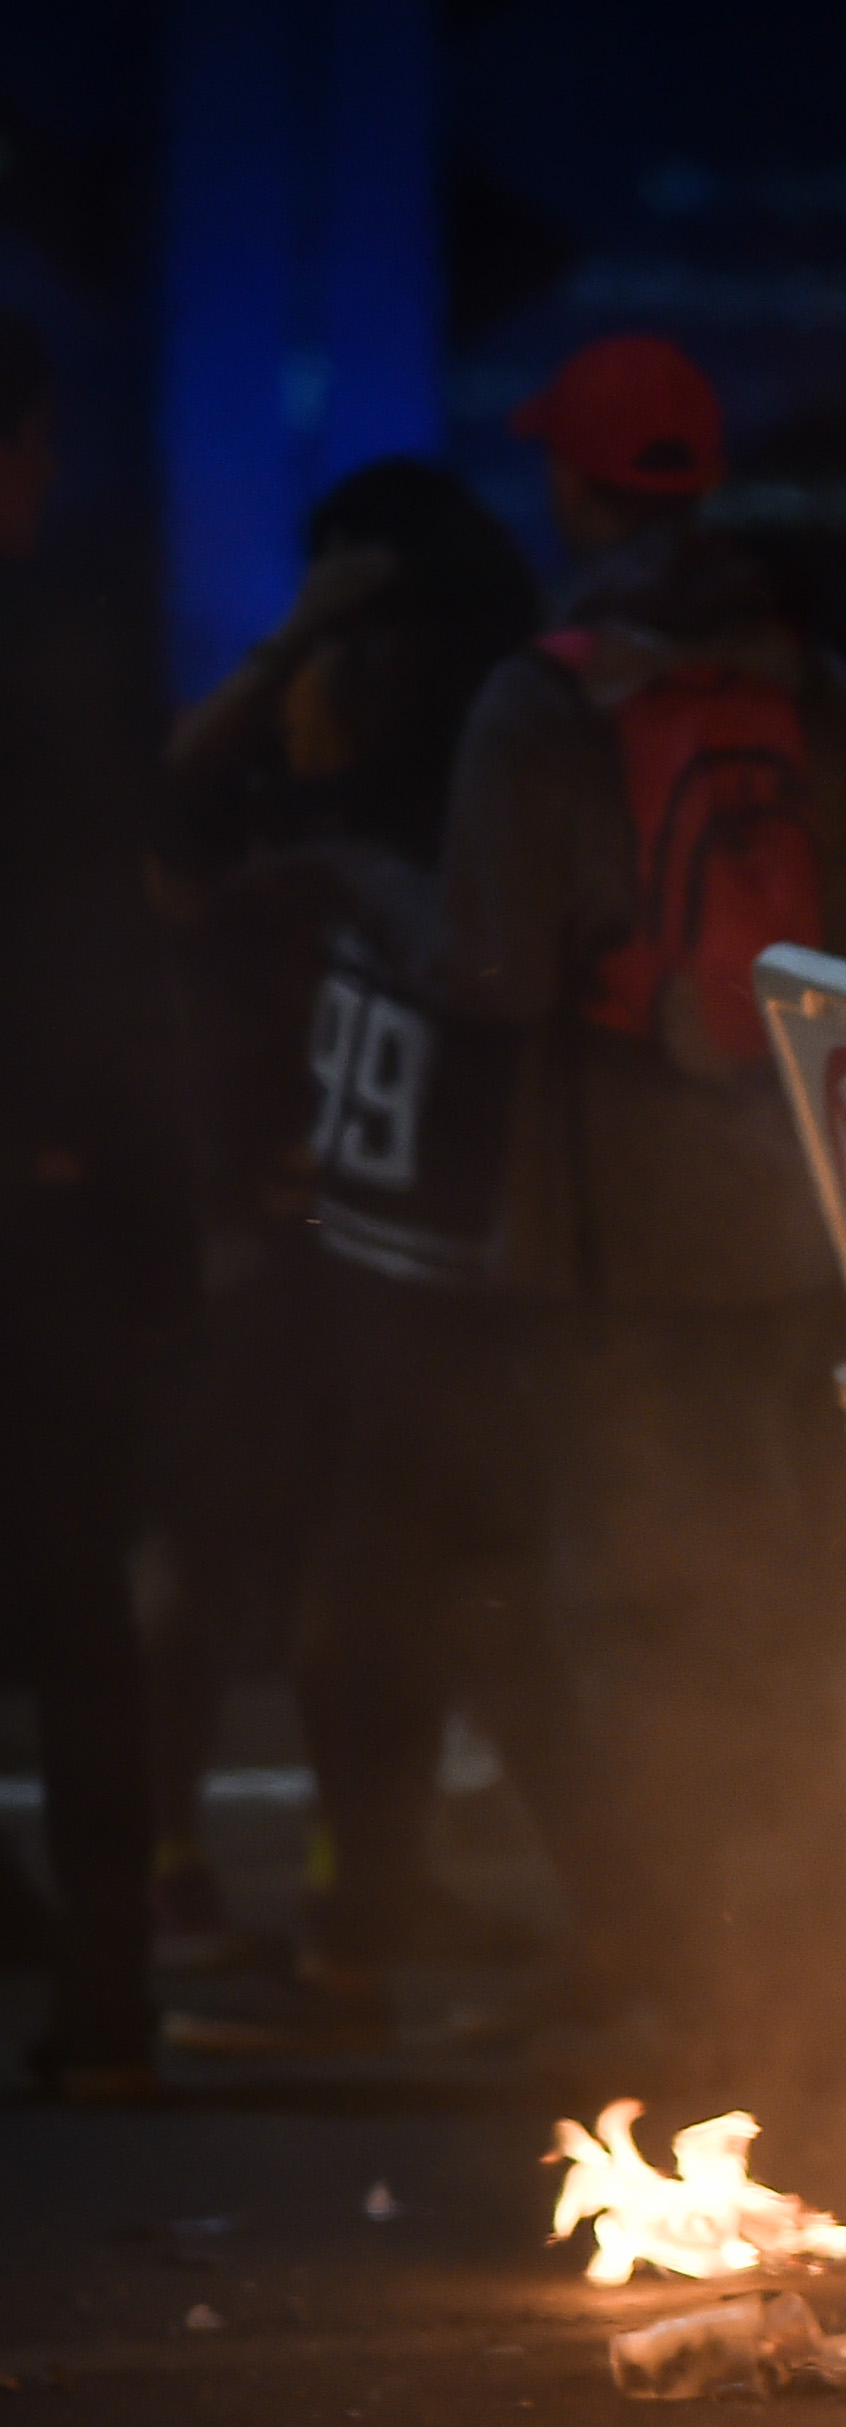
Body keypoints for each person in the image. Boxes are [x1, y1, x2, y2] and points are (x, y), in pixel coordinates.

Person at [434, 332, 846, 2067]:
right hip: (792, 1232)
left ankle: (673, 1973)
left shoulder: (541, 699)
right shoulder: (819, 691)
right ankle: (813, 1964)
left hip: (609, 1240)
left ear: (575, 488)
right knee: (785, 1601)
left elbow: (486, 968)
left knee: (624, 1604)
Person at [152, 458, 589, 2050]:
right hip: (376, 1248)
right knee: (441, 1612)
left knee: (415, 1612)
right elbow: (177, 823)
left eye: (348, 607)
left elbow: (483, 974)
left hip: (448, 1265)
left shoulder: (472, 754)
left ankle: (533, 1947)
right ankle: (450, 1936)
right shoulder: (350, 771)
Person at [0, 306, 187, 2099]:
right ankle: (109, 2001)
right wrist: (142, 1205)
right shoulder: (50, 672)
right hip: (33, 1220)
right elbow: (99, 957)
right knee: (73, 1619)